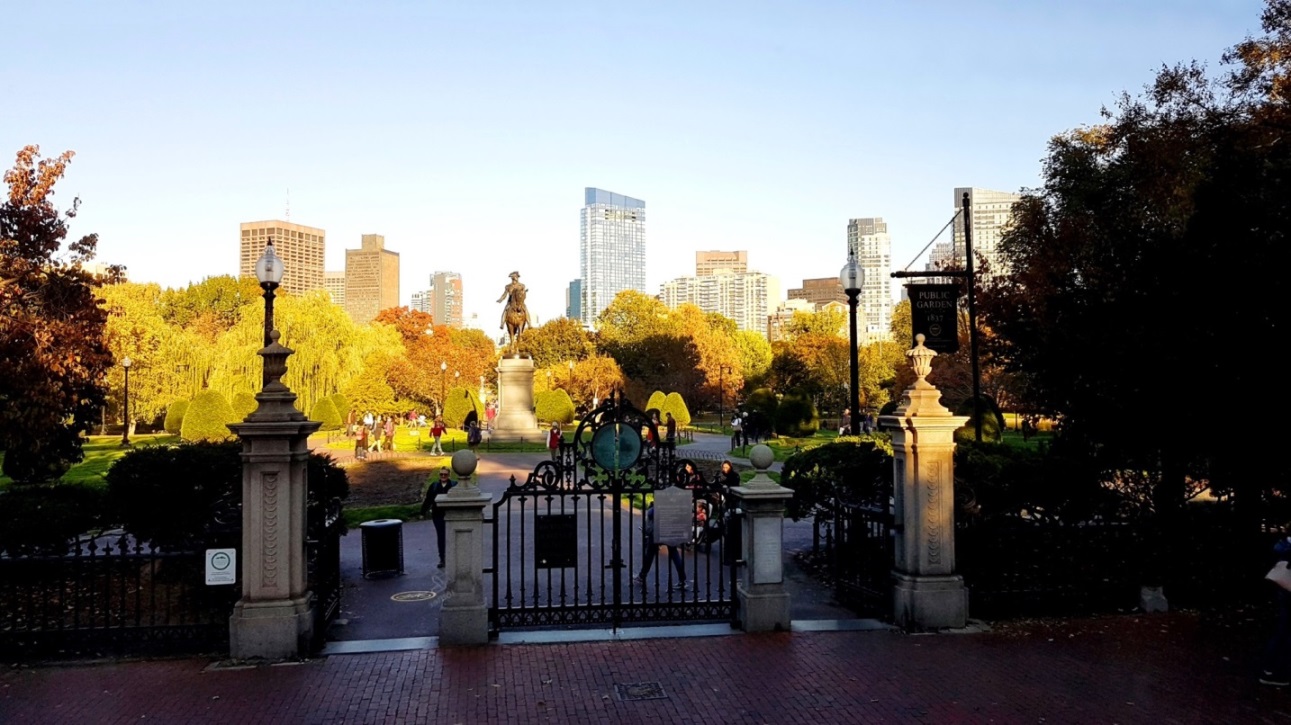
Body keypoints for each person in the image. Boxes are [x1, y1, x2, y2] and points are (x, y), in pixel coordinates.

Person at [634, 503, 687, 590]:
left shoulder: (661, 501)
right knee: (674, 554)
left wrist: (652, 507)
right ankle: (682, 580)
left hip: (658, 531)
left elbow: (651, 514)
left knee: (650, 554)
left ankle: (641, 577)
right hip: (671, 531)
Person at [420, 467, 457, 569]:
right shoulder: (434, 486)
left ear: (449, 475)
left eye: (445, 474)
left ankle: (452, 557)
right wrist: (423, 512)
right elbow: (428, 500)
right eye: (441, 474)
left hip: (451, 514)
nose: (443, 476)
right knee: (441, 536)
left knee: (452, 536)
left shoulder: (454, 486)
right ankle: (442, 558)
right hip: (438, 515)